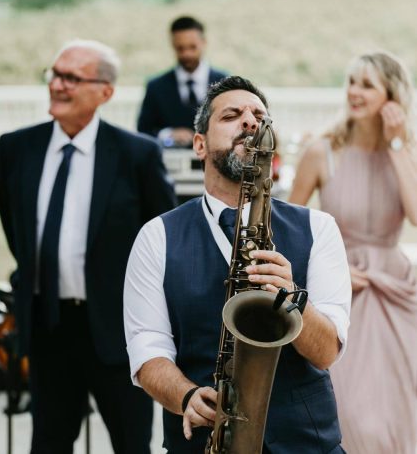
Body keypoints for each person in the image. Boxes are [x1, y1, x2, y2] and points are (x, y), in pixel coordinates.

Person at [124, 76, 351, 453]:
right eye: (232, 115)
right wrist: (186, 396)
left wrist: (293, 298)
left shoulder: (319, 228)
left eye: (258, 115)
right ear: (199, 144)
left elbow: (327, 352)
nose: (249, 121)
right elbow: (147, 349)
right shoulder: (156, 236)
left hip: (305, 444)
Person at [0, 39, 177, 454]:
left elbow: (161, 240)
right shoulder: (15, 148)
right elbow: (17, 231)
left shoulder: (136, 154)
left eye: (71, 78)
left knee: (132, 444)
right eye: (55, 74)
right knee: (48, 443)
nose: (57, 85)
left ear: (104, 92)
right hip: (48, 328)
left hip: (118, 332)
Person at [289, 51, 417, 454]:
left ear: (392, 96)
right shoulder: (322, 150)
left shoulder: (408, 151)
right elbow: (290, 226)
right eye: (351, 82)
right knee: (351, 412)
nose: (354, 92)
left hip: (396, 292)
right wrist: (333, 268)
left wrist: (397, 144)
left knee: (402, 408)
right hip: (340, 290)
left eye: (367, 85)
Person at [137, 15, 227, 147]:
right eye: (180, 48)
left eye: (192, 47)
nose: (186, 54)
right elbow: (143, 131)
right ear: (172, 45)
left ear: (204, 42)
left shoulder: (225, 82)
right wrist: (168, 135)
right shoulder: (155, 86)